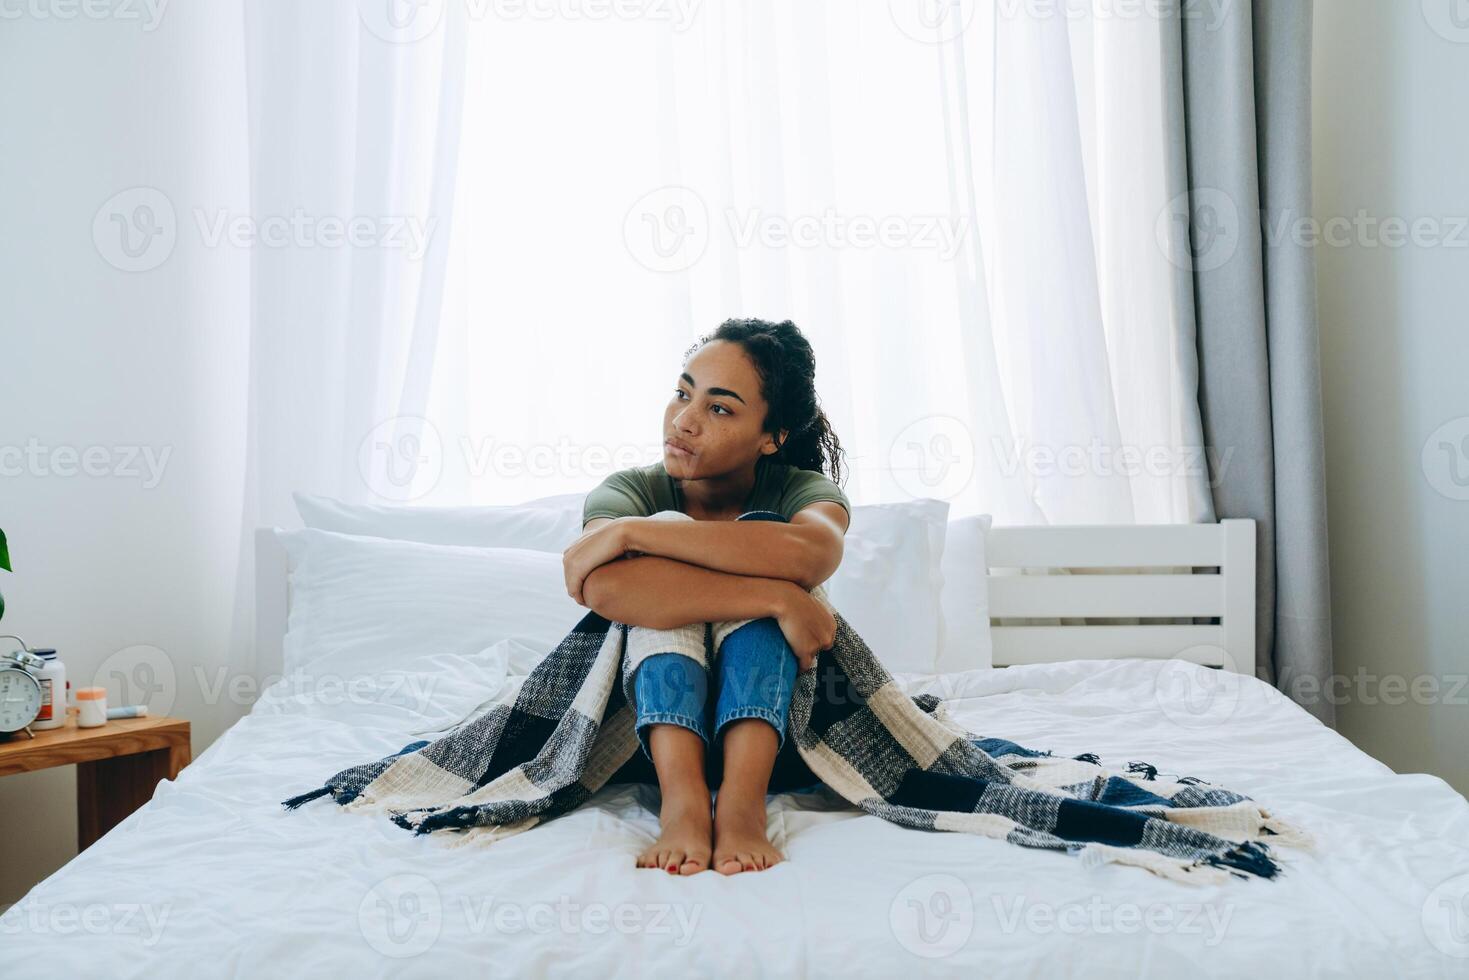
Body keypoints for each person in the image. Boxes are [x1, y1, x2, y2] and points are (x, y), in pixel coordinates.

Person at [562, 318, 851, 876]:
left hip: (786, 739)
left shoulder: (801, 490)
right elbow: (605, 588)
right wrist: (776, 598)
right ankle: (684, 803)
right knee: (653, 578)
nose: (684, 421)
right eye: (682, 393)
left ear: (772, 437)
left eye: (720, 408)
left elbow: (811, 553)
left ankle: (742, 807)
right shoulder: (631, 490)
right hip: (641, 742)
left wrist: (633, 534)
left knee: (751, 533)